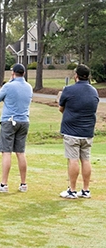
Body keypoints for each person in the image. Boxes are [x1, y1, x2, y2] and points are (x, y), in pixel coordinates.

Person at [59, 64, 99, 199]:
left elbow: (61, 108)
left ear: (76, 75)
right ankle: (86, 190)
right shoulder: (94, 91)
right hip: (87, 132)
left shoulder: (68, 90)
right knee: (86, 160)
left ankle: (72, 190)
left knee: (73, 160)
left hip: (72, 132)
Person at [0, 63, 33, 193]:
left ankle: (4, 184)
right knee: (20, 152)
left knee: (6, 152)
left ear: (13, 73)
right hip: (24, 121)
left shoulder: (8, 86)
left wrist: (10, 81)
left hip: (9, 121)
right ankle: (23, 184)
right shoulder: (29, 87)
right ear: (24, 73)